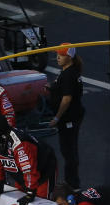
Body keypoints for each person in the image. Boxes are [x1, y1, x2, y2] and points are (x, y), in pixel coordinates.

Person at [0, 112, 56, 204]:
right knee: (19, 200)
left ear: (1, 128)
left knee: (43, 204)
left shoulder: (19, 143)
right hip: (22, 174)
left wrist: (30, 193)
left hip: (43, 169)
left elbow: (28, 168)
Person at [47, 44, 84, 188]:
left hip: (69, 119)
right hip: (72, 117)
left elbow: (67, 99)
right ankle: (71, 182)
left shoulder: (68, 75)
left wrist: (57, 118)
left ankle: (72, 184)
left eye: (61, 55)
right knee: (69, 151)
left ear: (69, 57)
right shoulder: (68, 71)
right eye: (57, 54)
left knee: (69, 151)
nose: (58, 57)